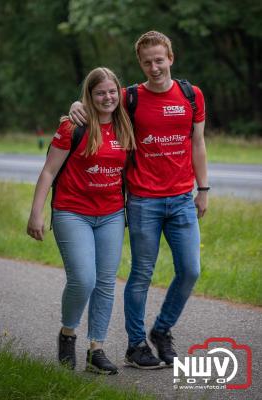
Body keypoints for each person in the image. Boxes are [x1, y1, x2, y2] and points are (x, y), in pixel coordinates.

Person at [69, 31, 209, 370]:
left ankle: (161, 331)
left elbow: (198, 144)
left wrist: (203, 189)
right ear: (140, 64)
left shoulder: (192, 95)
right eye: (147, 62)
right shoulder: (130, 98)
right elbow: (99, 105)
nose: (154, 67)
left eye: (159, 60)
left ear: (170, 58)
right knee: (142, 273)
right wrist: (76, 106)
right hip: (143, 200)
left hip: (181, 199)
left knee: (190, 269)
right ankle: (135, 346)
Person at [27, 67, 135, 375]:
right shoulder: (73, 127)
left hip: (112, 214)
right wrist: (36, 212)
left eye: (112, 91)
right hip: (72, 211)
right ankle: (67, 333)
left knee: (105, 282)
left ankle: (96, 349)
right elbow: (49, 171)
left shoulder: (125, 124)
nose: (107, 97)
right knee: (83, 279)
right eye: (100, 92)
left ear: (119, 92)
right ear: (88, 95)